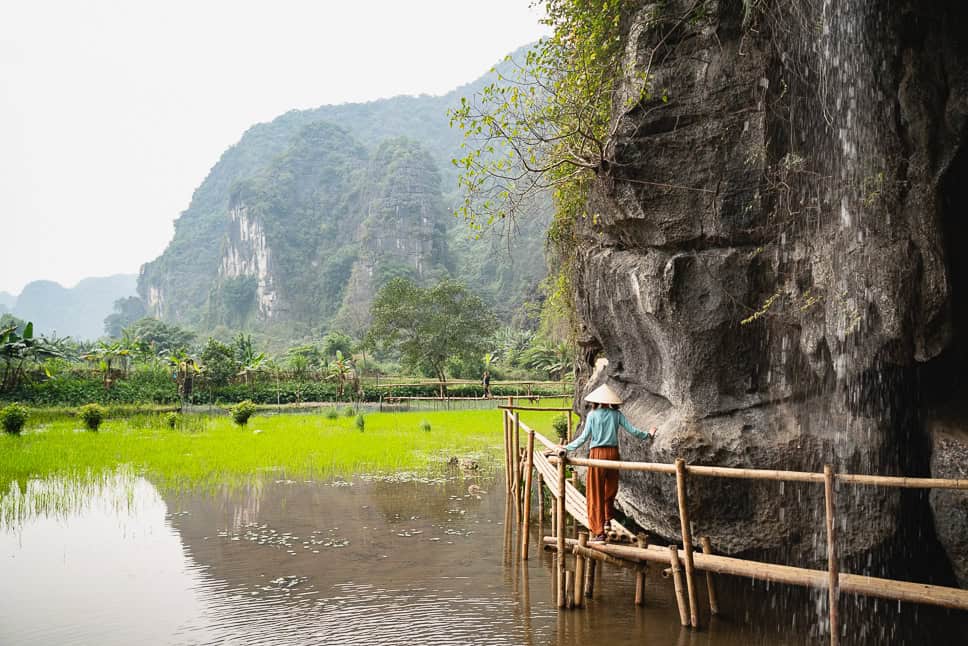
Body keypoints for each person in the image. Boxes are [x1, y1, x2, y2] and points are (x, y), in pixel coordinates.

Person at [556, 383, 656, 541]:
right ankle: (607, 519)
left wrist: (566, 447)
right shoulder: (617, 415)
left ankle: (599, 531)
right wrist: (648, 435)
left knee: (595, 491)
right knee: (611, 488)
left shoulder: (592, 415)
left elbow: (583, 437)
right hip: (613, 453)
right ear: (611, 401)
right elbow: (633, 431)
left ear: (595, 401)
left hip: (597, 454)